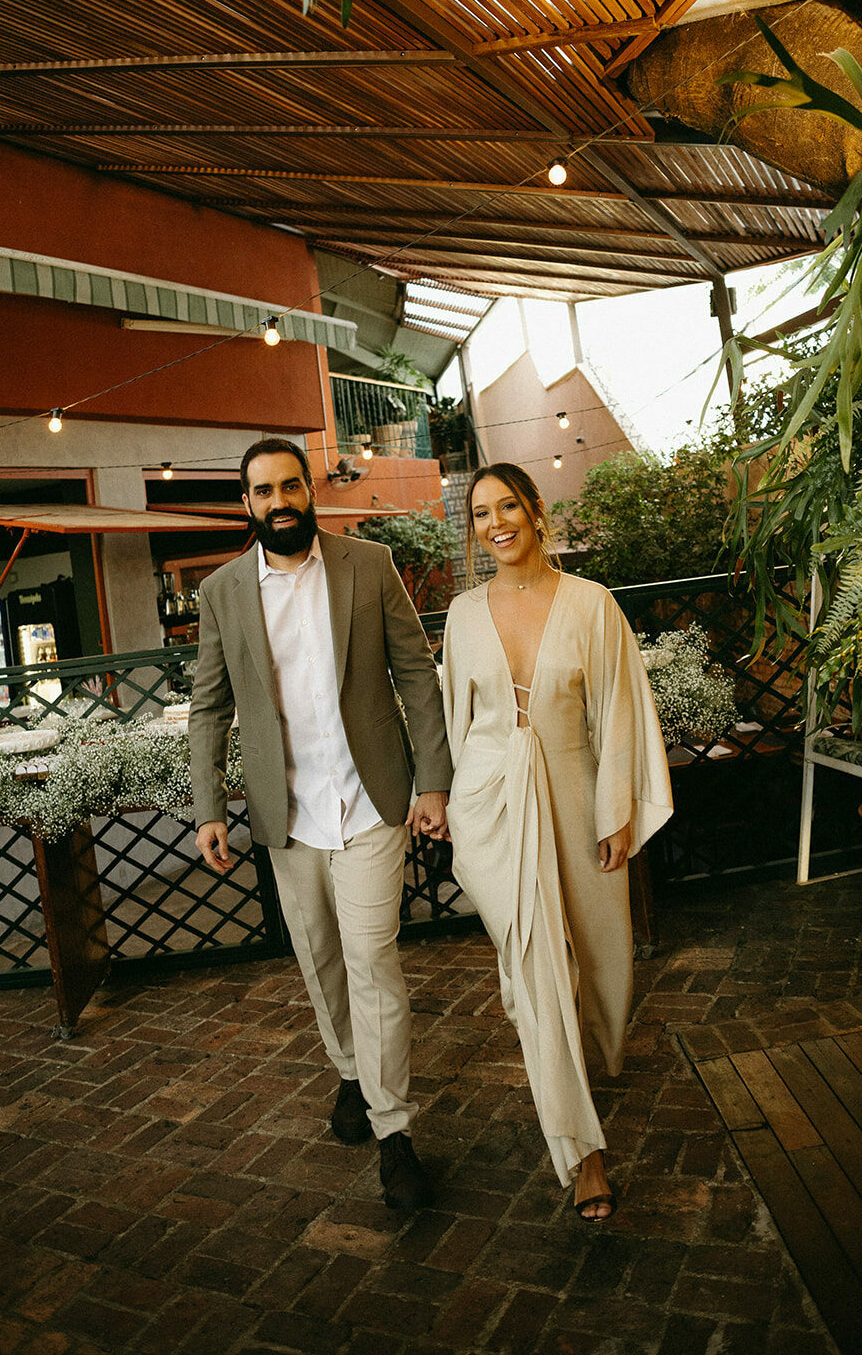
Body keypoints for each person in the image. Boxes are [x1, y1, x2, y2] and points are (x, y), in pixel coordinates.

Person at [189, 438, 452, 1211]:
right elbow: (208, 708)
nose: (279, 501)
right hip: (289, 814)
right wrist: (209, 808)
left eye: (290, 486)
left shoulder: (368, 565)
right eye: (263, 491)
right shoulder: (222, 592)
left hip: (371, 800)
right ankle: (348, 1071)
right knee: (320, 960)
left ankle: (393, 1130)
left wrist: (432, 781)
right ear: (246, 503)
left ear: (309, 490)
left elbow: (415, 672)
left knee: (372, 960)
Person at [431, 463, 673, 1220]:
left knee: (599, 958)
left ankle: (578, 1057)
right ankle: (583, 1154)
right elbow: (453, 721)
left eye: (507, 506)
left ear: (535, 511)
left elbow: (617, 713)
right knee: (540, 972)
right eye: (480, 513)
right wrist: (447, 802)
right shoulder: (462, 615)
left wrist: (615, 812)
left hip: (575, 794)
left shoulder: (592, 605)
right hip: (491, 808)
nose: (495, 523)